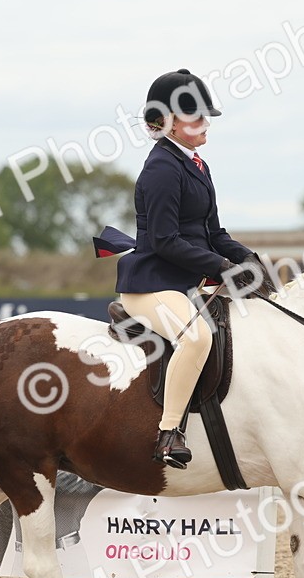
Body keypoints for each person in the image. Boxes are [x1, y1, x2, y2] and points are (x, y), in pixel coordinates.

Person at [115, 68, 273, 469]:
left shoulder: (196, 165)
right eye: (196, 116)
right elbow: (165, 240)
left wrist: (248, 259)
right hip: (152, 286)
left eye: (206, 116)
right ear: (168, 121)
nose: (205, 123)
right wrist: (222, 267)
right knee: (197, 337)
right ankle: (169, 433)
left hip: (182, 283)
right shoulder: (161, 169)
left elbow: (213, 232)